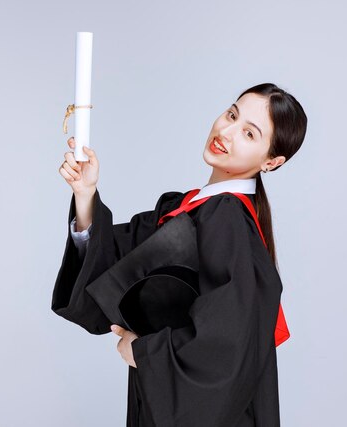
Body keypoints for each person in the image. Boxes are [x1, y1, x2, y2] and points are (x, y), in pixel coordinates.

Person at [52, 82, 307, 426]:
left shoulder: (227, 218)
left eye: (249, 133)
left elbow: (226, 346)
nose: (226, 132)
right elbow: (112, 268)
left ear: (272, 162)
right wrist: (85, 194)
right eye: (231, 114)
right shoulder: (188, 208)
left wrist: (143, 353)